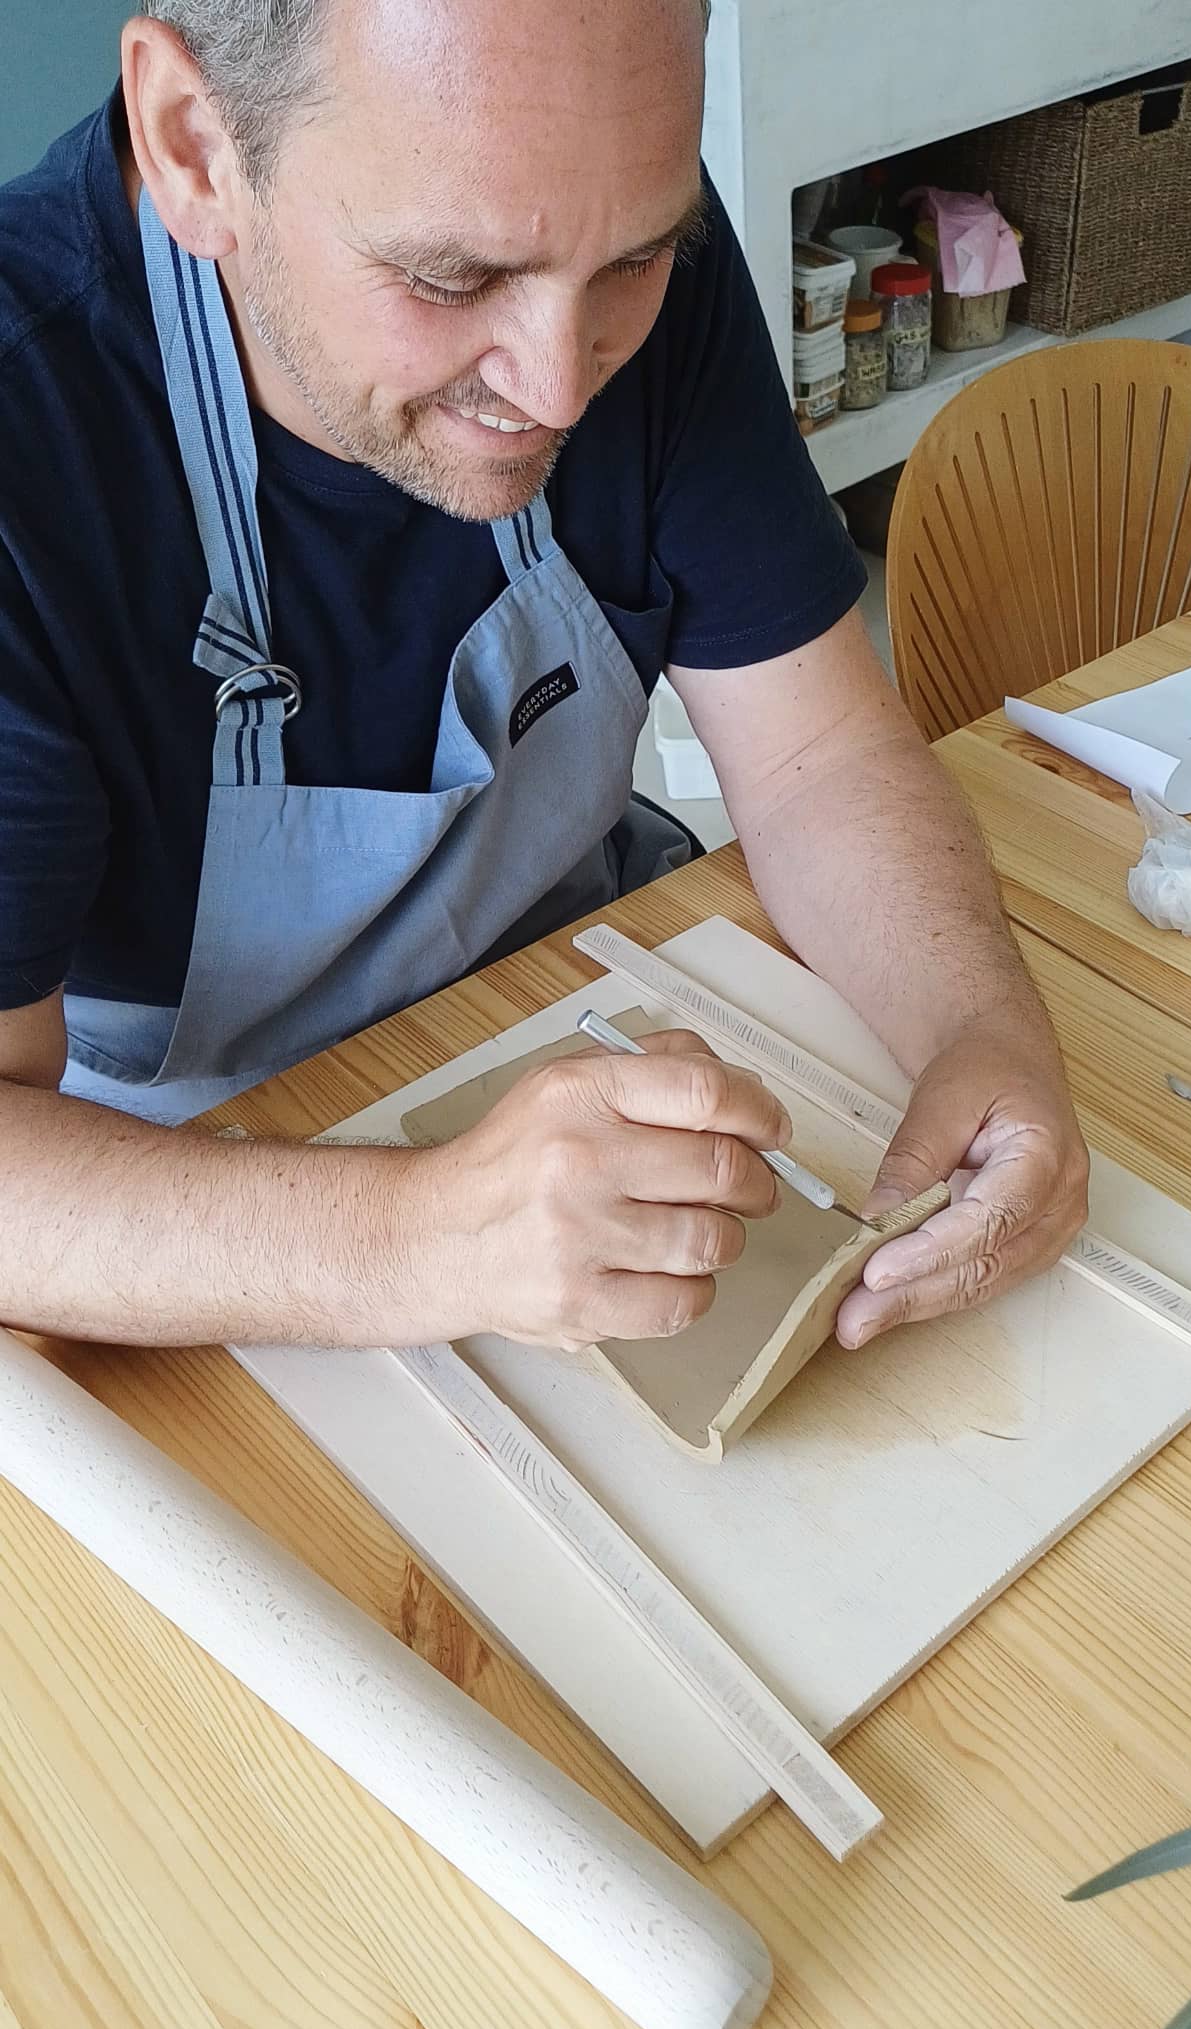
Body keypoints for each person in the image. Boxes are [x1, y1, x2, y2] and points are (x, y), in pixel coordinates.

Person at [0, 0, 1087, 1357]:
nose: (561, 387)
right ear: (193, 147)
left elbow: (821, 760)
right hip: (187, 1191)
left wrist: (979, 1027)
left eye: (636, 260)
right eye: (454, 280)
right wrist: (416, 1235)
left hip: (584, 994)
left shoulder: (594, 231)